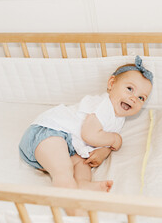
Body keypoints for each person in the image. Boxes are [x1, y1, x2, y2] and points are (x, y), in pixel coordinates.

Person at [19, 55, 153, 215]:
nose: (133, 98)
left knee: (83, 163)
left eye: (141, 98)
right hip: (49, 132)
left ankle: (83, 184)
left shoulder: (119, 119)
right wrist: (115, 139)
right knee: (64, 171)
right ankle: (74, 209)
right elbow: (90, 135)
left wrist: (104, 151)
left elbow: (102, 141)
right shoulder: (102, 105)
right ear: (111, 84)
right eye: (130, 89)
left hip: (67, 146)